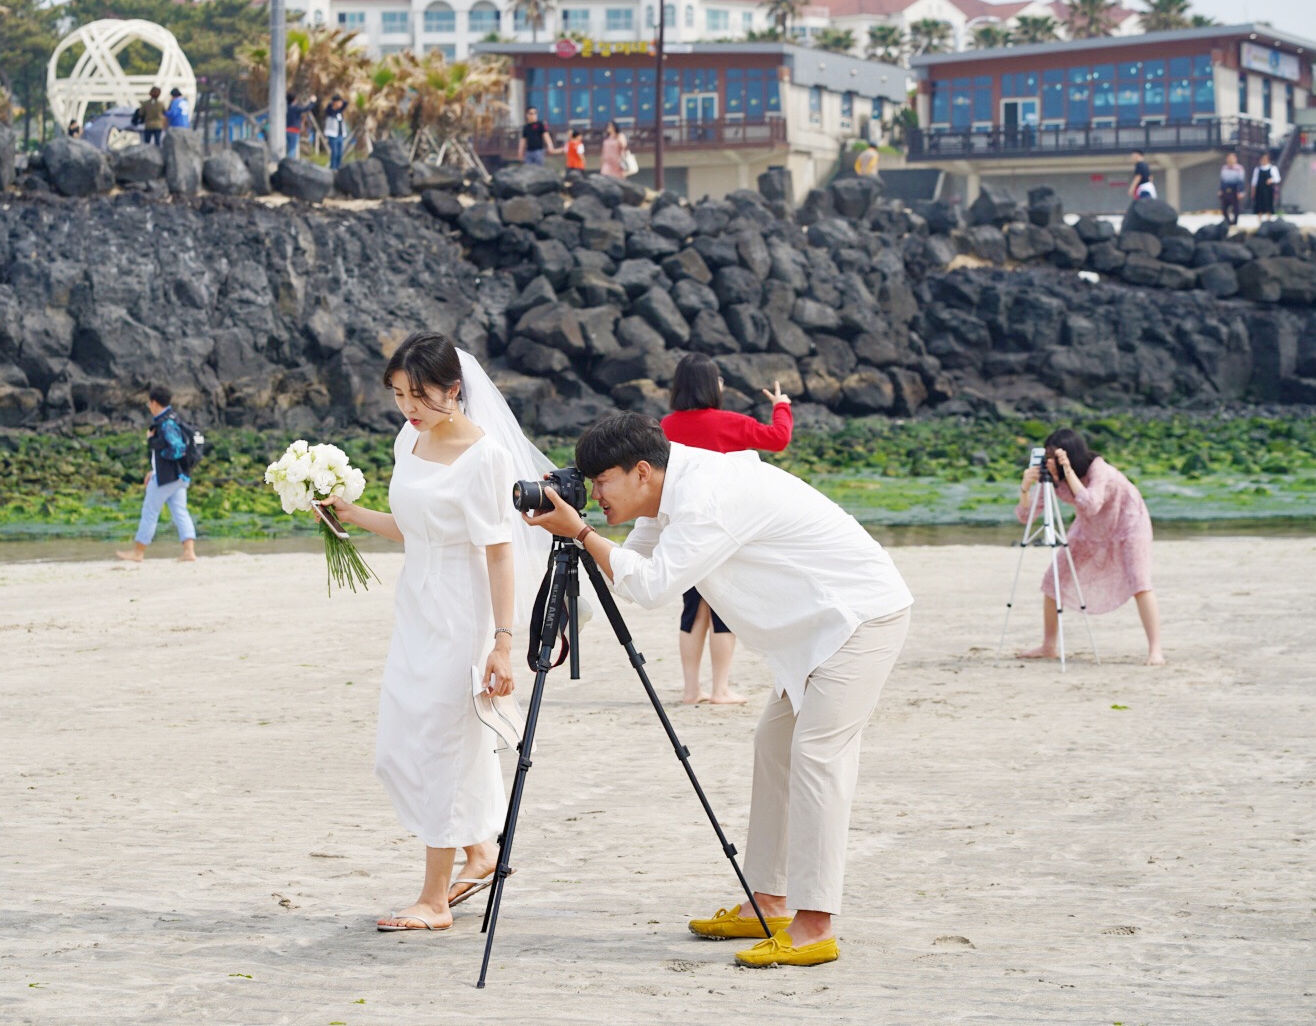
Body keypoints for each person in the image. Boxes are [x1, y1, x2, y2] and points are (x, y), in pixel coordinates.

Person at [526, 412, 913, 969]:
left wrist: (582, 534)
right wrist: (560, 616)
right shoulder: (668, 490)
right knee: (773, 748)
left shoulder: (707, 496)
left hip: (858, 617)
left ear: (640, 471)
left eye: (600, 480)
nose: (592, 494)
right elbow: (635, 574)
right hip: (813, 631)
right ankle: (769, 901)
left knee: (817, 757)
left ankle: (815, 926)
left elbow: (656, 587)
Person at [316, 332, 553, 933]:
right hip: (416, 605)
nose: (409, 408)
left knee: (439, 741)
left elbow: (500, 554)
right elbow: (411, 525)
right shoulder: (410, 439)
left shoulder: (485, 457)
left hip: (462, 610)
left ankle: (434, 898)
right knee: (405, 734)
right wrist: (350, 515)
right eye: (399, 395)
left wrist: (503, 642)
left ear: (455, 389)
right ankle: (481, 851)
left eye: (420, 395)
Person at [660, 354, 795, 705]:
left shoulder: (664, 427)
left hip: (682, 527)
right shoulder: (728, 422)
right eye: (718, 379)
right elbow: (778, 439)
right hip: (724, 528)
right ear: (710, 385)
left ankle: (691, 690)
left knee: (692, 607)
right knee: (723, 609)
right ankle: (720, 689)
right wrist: (781, 406)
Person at [1015, 428, 1164, 666]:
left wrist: (1069, 472)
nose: (1050, 462)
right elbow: (1026, 516)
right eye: (1048, 457)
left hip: (1129, 522)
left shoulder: (1099, 469)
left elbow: (1091, 503)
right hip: (1090, 528)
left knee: (1140, 582)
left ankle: (1156, 650)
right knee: (1053, 578)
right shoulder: (1052, 478)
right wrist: (1025, 488)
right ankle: (1048, 645)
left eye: (1055, 457)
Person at [115, 385, 197, 564]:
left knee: (149, 512)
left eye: (149, 403)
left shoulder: (165, 423)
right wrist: (154, 469)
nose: (148, 406)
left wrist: (152, 441)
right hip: (180, 476)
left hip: (167, 478)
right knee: (180, 512)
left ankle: (138, 552)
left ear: (154, 403)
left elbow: (176, 449)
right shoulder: (174, 418)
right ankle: (189, 552)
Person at [285, 92, 318, 159]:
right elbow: (306, 109)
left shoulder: (286, 108)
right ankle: (289, 163)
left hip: (286, 130)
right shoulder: (295, 108)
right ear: (294, 99)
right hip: (294, 131)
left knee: (288, 148)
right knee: (292, 149)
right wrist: (312, 102)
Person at [1219, 151, 1246, 226]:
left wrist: (1240, 192)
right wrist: (1221, 190)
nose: (1230, 160)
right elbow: (1222, 180)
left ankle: (1235, 222)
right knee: (1224, 208)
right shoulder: (1224, 168)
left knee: (1236, 207)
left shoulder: (1239, 168)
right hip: (1226, 188)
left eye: (1232, 158)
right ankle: (1228, 222)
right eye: (1229, 158)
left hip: (1235, 189)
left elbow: (1241, 181)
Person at [322, 94, 348, 170]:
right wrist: (332, 103)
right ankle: (333, 168)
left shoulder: (340, 111)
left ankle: (338, 167)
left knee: (340, 153)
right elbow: (329, 110)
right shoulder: (330, 111)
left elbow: (346, 103)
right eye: (338, 102)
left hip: (340, 134)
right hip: (332, 135)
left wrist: (341, 102)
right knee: (335, 152)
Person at [1251, 152, 1281, 218]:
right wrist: (1253, 191)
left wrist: (1271, 180)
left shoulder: (1273, 168)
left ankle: (1268, 219)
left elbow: (1278, 178)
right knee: (1259, 206)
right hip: (1260, 189)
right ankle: (1260, 219)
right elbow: (1254, 181)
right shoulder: (1257, 169)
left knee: (1269, 205)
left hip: (1268, 190)